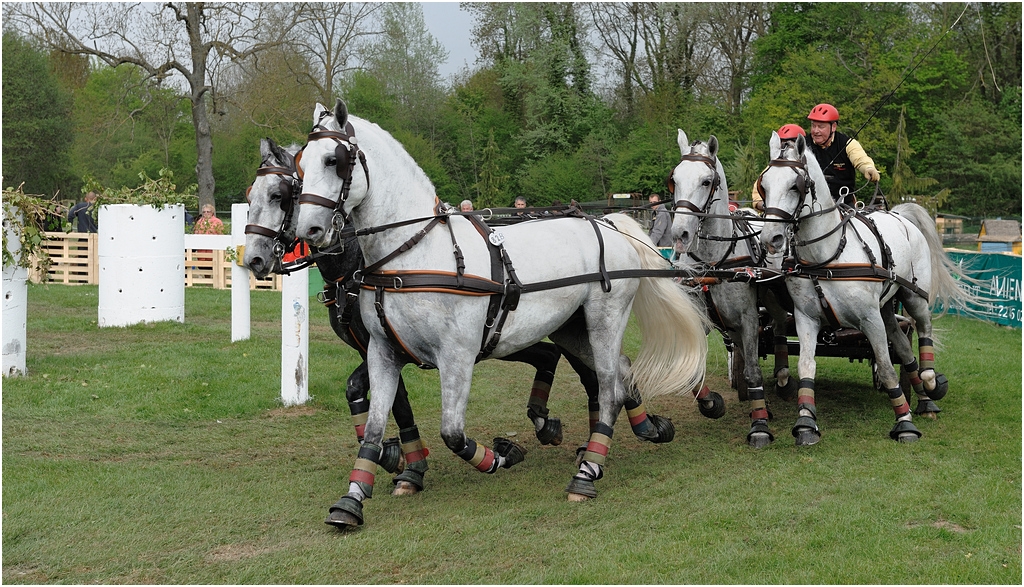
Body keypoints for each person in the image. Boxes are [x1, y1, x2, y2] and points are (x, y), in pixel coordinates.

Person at [806, 103, 880, 205]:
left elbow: (860, 159)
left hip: (843, 204)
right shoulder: (803, 145)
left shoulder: (848, 144)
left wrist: (868, 168)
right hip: (810, 205)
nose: (815, 131)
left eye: (821, 127)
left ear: (833, 127)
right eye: (813, 126)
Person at [751, 124, 807, 212]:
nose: (784, 148)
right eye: (782, 144)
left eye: (788, 144)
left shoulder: (807, 168)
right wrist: (768, 207)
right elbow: (756, 199)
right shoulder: (770, 171)